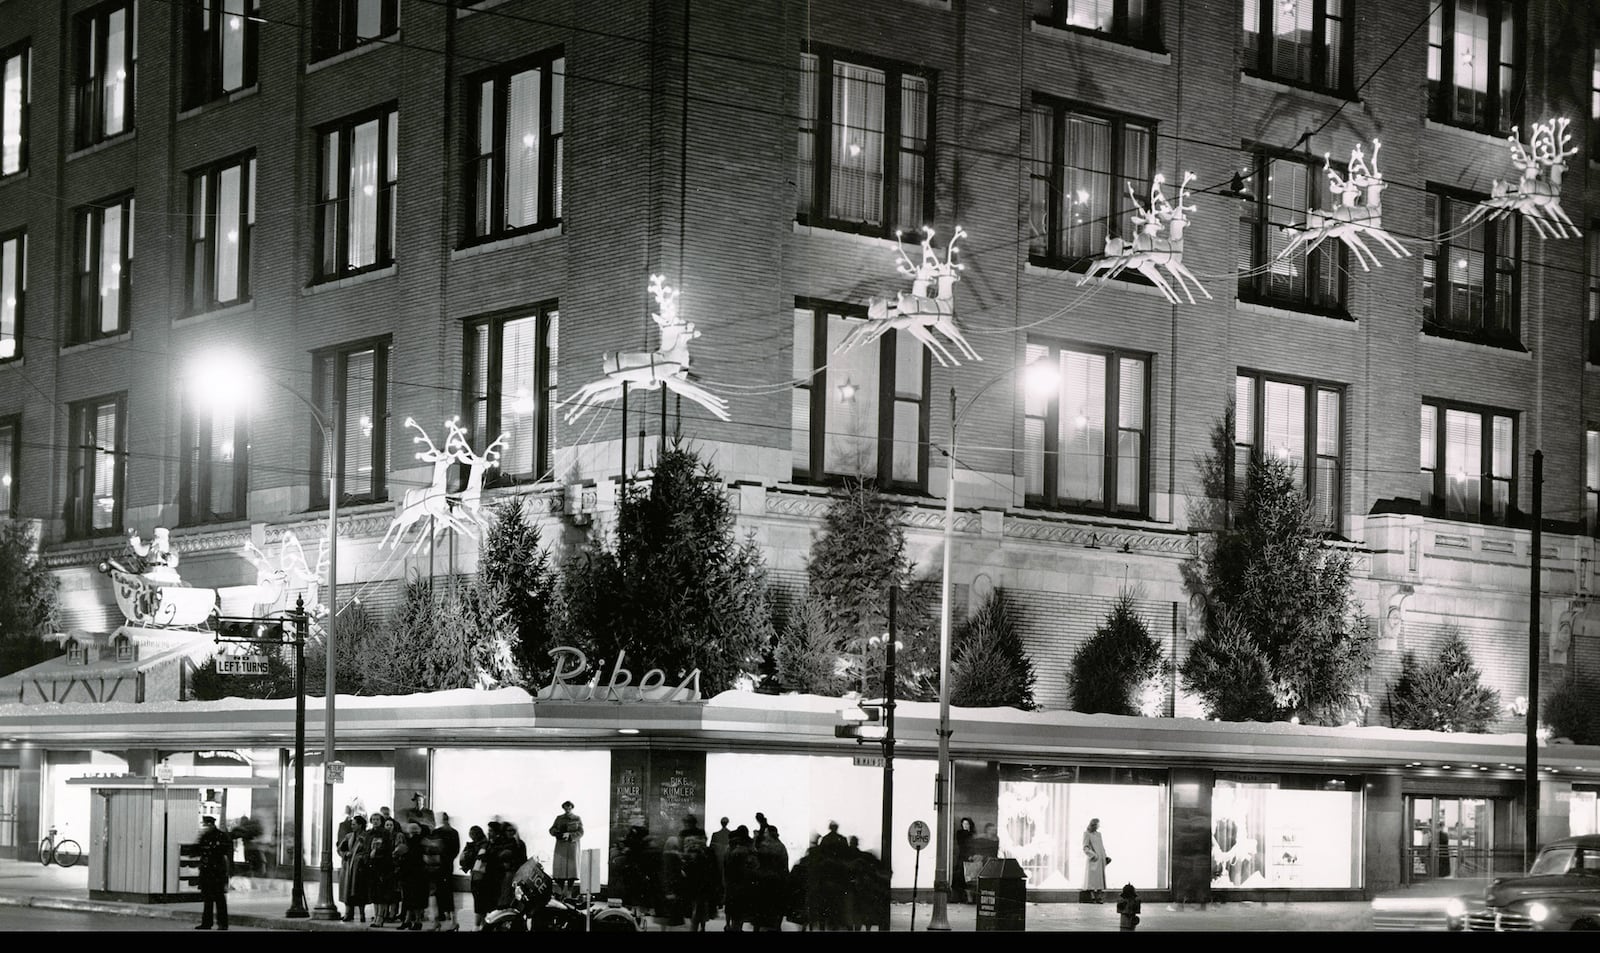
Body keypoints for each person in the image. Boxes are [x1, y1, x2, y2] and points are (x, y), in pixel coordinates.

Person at [194, 815, 232, 931]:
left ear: (211, 824)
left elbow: (226, 853)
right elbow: (196, 850)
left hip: (217, 871)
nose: (204, 827)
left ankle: (222, 924)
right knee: (208, 899)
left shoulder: (221, 836)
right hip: (207, 871)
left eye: (205, 825)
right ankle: (207, 923)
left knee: (219, 898)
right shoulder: (205, 836)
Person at [431, 812, 461, 929]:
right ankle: (445, 919)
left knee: (441, 892)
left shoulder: (440, 832)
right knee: (442, 893)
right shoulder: (452, 833)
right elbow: (455, 850)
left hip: (441, 865)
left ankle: (442, 919)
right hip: (444, 865)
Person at [459, 824, 492, 930]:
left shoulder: (478, 846)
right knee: (481, 903)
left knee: (479, 903)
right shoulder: (485, 845)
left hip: (478, 877)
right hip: (480, 877)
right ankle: (481, 925)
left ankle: (477, 926)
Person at [339, 813, 370, 922]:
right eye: (352, 824)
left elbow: (368, 850)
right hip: (348, 867)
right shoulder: (348, 836)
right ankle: (348, 913)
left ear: (360, 825)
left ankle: (362, 914)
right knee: (347, 890)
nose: (352, 826)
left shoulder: (366, 836)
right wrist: (345, 854)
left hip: (360, 868)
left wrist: (361, 857)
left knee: (360, 891)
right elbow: (340, 849)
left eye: (354, 824)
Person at [549, 800, 583, 898]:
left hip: (572, 847)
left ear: (572, 808)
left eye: (569, 807)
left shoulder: (577, 818)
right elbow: (551, 830)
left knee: (571, 870)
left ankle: (569, 893)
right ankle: (560, 893)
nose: (567, 809)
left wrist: (571, 835)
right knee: (561, 870)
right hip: (561, 847)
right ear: (563, 808)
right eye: (565, 807)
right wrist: (557, 833)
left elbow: (581, 832)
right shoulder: (559, 818)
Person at [1082, 818, 1108, 903]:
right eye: (1098, 824)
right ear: (1094, 824)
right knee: (1092, 880)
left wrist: (1105, 856)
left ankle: (1099, 897)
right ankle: (1093, 897)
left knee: (1100, 880)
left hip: (1100, 859)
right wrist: (1093, 855)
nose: (1099, 825)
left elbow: (1101, 846)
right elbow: (1085, 847)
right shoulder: (1087, 834)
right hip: (1093, 859)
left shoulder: (1099, 834)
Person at [952, 817, 975, 904]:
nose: (965, 826)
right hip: (963, 856)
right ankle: (960, 897)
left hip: (969, 857)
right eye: (963, 824)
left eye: (967, 824)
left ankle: (968, 897)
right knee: (961, 876)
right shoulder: (960, 833)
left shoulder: (971, 834)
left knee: (968, 877)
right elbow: (962, 843)